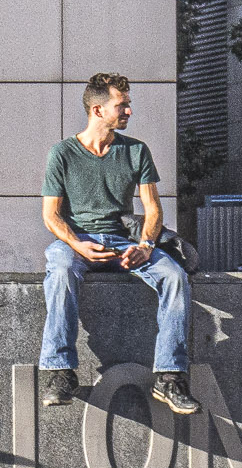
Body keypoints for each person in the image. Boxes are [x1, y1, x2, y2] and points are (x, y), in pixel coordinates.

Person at [40, 72, 198, 417]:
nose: (128, 111)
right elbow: (51, 216)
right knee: (61, 267)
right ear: (98, 110)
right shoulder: (63, 154)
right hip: (77, 242)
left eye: (128, 104)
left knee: (173, 275)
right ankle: (59, 372)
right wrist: (78, 245)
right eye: (121, 105)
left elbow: (152, 208)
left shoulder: (135, 151)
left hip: (124, 241)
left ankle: (170, 376)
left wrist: (145, 244)